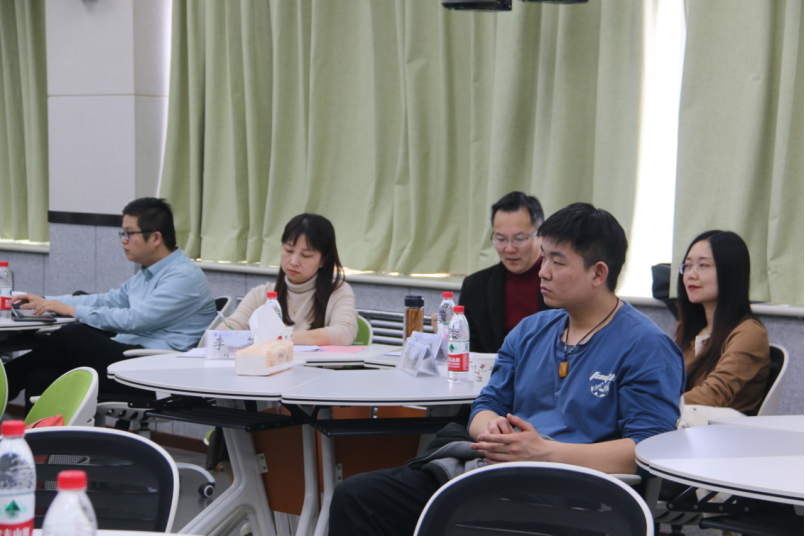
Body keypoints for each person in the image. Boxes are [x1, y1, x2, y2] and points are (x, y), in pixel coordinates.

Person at [329, 203, 686, 536]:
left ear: (598, 273)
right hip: (496, 473)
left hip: (575, 494)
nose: (542, 272)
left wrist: (545, 453)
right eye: (544, 258)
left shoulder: (646, 347)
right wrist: (495, 432)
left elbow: (647, 448)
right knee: (357, 496)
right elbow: (487, 404)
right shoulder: (530, 331)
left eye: (557, 262)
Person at [7, 198, 216, 408]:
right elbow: (107, 300)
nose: (123, 240)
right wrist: (48, 301)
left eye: (129, 233)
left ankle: (7, 381)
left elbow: (135, 320)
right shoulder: (148, 272)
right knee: (40, 377)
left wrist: (72, 310)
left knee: (73, 335)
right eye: (122, 233)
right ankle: (31, 424)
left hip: (155, 370)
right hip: (133, 356)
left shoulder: (183, 277)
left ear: (155, 238)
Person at [220, 214, 358, 346]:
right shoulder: (261, 294)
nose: (294, 262)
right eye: (289, 250)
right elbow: (228, 328)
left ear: (323, 260)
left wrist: (279, 338)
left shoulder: (337, 291)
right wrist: (226, 332)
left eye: (306, 255)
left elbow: (344, 333)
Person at [676, 230, 770, 414]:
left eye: (702, 265)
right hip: (681, 423)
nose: (690, 275)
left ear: (730, 272)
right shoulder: (689, 329)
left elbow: (713, 396)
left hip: (720, 429)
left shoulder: (750, 333)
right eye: (687, 266)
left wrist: (652, 403)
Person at [450, 192, 548, 353]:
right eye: (501, 239)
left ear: (541, 235)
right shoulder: (475, 286)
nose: (509, 249)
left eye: (519, 239)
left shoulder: (560, 282)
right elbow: (469, 349)